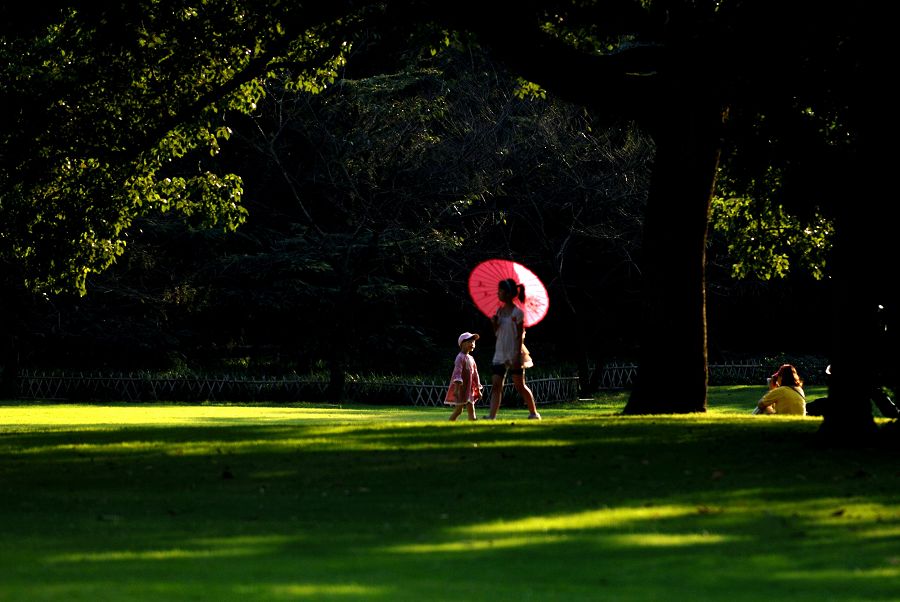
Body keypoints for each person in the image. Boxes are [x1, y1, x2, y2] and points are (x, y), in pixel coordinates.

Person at [484, 278, 541, 420]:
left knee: (519, 385)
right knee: (496, 384)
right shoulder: (499, 311)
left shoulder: (517, 313)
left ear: (509, 293)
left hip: (514, 352)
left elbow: (520, 335)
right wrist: (494, 323)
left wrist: (516, 354)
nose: (498, 293)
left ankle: (533, 412)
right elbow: (497, 333)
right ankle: (492, 416)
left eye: (501, 290)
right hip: (500, 351)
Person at [445, 332, 482, 421]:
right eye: (470, 342)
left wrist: (478, 388)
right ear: (462, 344)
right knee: (459, 410)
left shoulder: (471, 358)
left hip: (469, 389)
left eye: (473, 342)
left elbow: (475, 374)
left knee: (471, 409)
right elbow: (457, 373)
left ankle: (473, 424)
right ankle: (449, 423)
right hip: (461, 389)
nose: (472, 344)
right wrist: (457, 389)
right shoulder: (460, 358)